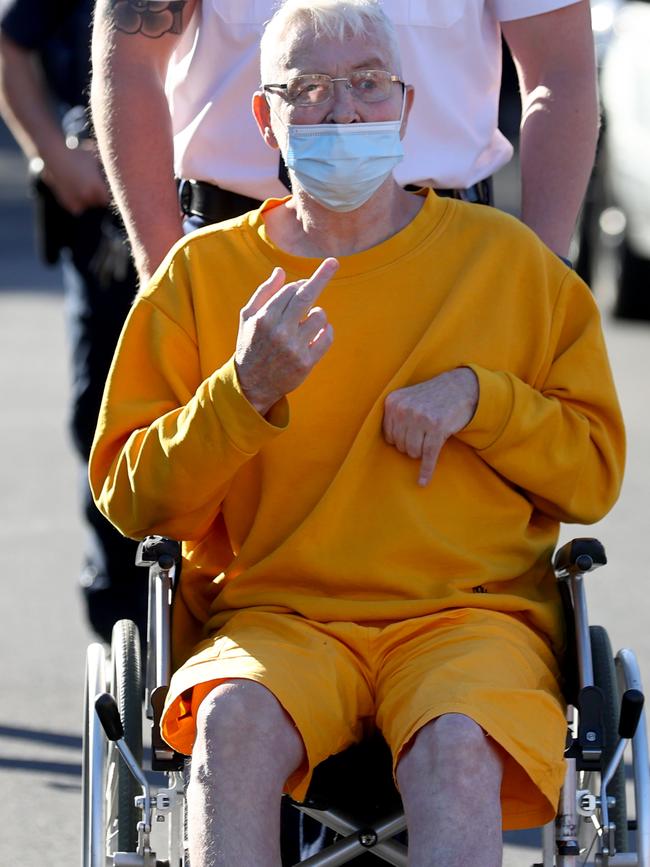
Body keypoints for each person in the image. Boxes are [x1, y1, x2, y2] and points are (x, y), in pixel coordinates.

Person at [89, 2, 625, 865]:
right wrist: (241, 392)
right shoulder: (204, 277)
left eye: (370, 86)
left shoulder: (509, 267)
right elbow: (132, 497)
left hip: (466, 616)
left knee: (457, 749)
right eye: (309, 90)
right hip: (276, 617)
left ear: (409, 106)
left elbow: (592, 475)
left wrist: (483, 400)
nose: (343, 114)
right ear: (265, 117)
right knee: (231, 723)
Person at [90, 0, 598, 284]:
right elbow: (130, 64)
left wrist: (545, 274)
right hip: (229, 254)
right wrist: (160, 269)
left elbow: (560, 73)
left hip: (448, 260)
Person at [0, 0, 146, 642]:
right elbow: (10, 48)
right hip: (105, 211)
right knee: (108, 410)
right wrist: (55, 159)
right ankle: (120, 611)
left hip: (223, 199)